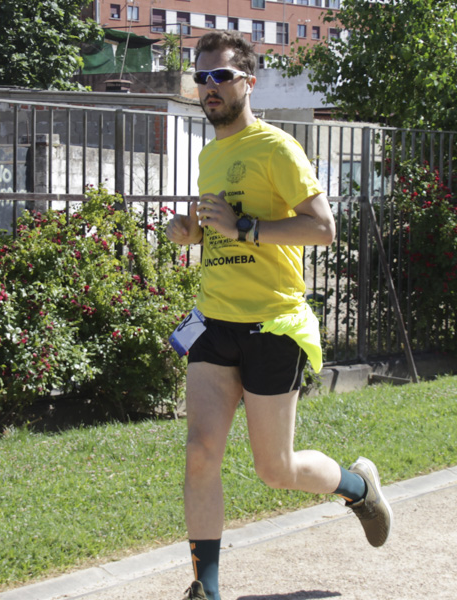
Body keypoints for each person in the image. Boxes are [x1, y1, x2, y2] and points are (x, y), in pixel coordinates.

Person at [164, 30, 393, 600]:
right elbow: (216, 224)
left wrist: (245, 228)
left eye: (221, 76)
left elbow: (322, 228)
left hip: (273, 323)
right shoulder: (210, 153)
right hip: (214, 321)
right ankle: (207, 588)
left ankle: (358, 487)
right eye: (202, 77)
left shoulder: (276, 148)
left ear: (248, 82)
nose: (209, 87)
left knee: (276, 469)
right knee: (200, 453)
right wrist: (189, 229)